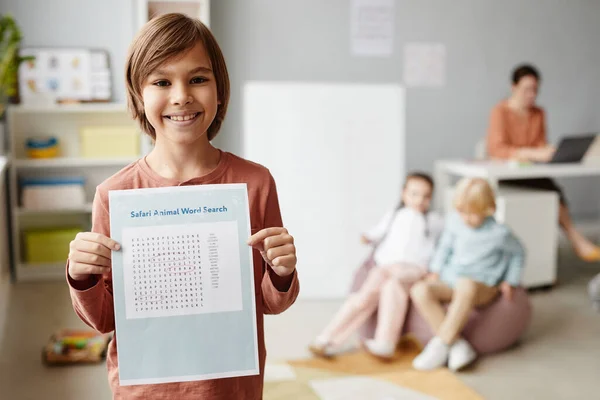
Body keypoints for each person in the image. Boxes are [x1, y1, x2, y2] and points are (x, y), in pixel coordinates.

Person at [66, 14, 299, 399]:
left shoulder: (256, 183)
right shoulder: (115, 194)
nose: (181, 96)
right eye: (161, 81)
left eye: (198, 79)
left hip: (231, 387)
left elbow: (271, 304)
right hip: (146, 390)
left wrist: (282, 271)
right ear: (139, 95)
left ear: (220, 90)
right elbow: (104, 318)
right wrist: (81, 276)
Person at [308, 173, 444, 360]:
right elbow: (378, 231)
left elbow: (443, 246)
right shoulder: (395, 214)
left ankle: (385, 342)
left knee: (393, 284)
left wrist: (434, 270)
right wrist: (368, 237)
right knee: (365, 297)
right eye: (414, 194)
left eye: (426, 196)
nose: (420, 200)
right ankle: (327, 339)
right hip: (386, 265)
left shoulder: (434, 221)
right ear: (404, 194)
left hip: (413, 268)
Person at [487, 63, 600, 262]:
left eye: (535, 90)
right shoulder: (500, 111)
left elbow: (540, 143)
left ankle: (565, 246)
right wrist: (529, 152)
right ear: (513, 87)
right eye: (526, 89)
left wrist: (548, 151)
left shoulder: (538, 113)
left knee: (552, 191)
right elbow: (496, 148)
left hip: (533, 172)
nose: (531, 94)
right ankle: (576, 239)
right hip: (509, 175)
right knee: (552, 192)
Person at [410, 177, 524, 372]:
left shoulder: (500, 233)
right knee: (419, 290)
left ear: (488, 209)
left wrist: (510, 281)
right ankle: (457, 345)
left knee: (466, 284)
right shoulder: (455, 223)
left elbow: (518, 253)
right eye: (462, 212)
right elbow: (444, 247)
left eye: (472, 214)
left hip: (482, 286)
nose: (465, 218)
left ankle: (441, 344)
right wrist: (435, 269)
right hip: (451, 281)